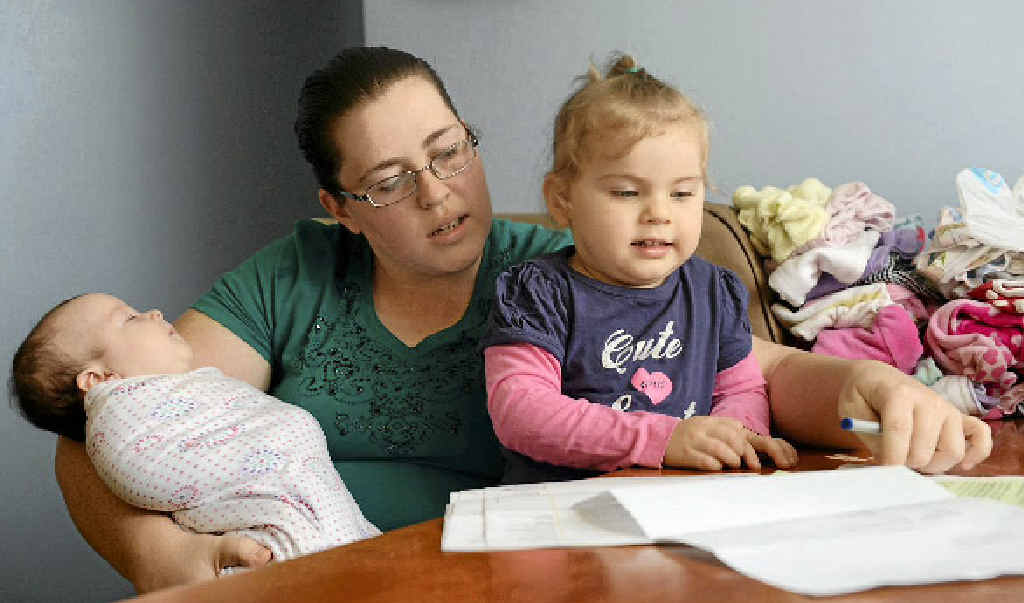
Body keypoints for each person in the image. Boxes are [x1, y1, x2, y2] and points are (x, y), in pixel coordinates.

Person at [51, 46, 992, 594]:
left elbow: (762, 374)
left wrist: (877, 385)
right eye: (389, 182)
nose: (439, 193)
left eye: (449, 151)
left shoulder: (566, 265)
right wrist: (165, 555)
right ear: (339, 206)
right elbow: (111, 420)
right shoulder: (293, 275)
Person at [482, 55, 798, 484]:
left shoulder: (713, 291)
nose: (659, 213)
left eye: (682, 193)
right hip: (562, 515)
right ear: (561, 200)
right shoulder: (538, 294)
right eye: (628, 192)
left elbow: (741, 389)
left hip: (684, 505)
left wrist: (736, 440)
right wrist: (663, 439)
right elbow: (521, 413)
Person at [12, 293, 380, 564]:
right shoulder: (120, 412)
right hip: (277, 529)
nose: (154, 312)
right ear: (99, 379)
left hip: (319, 514)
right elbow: (145, 471)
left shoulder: (172, 394)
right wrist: (265, 456)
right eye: (130, 318)